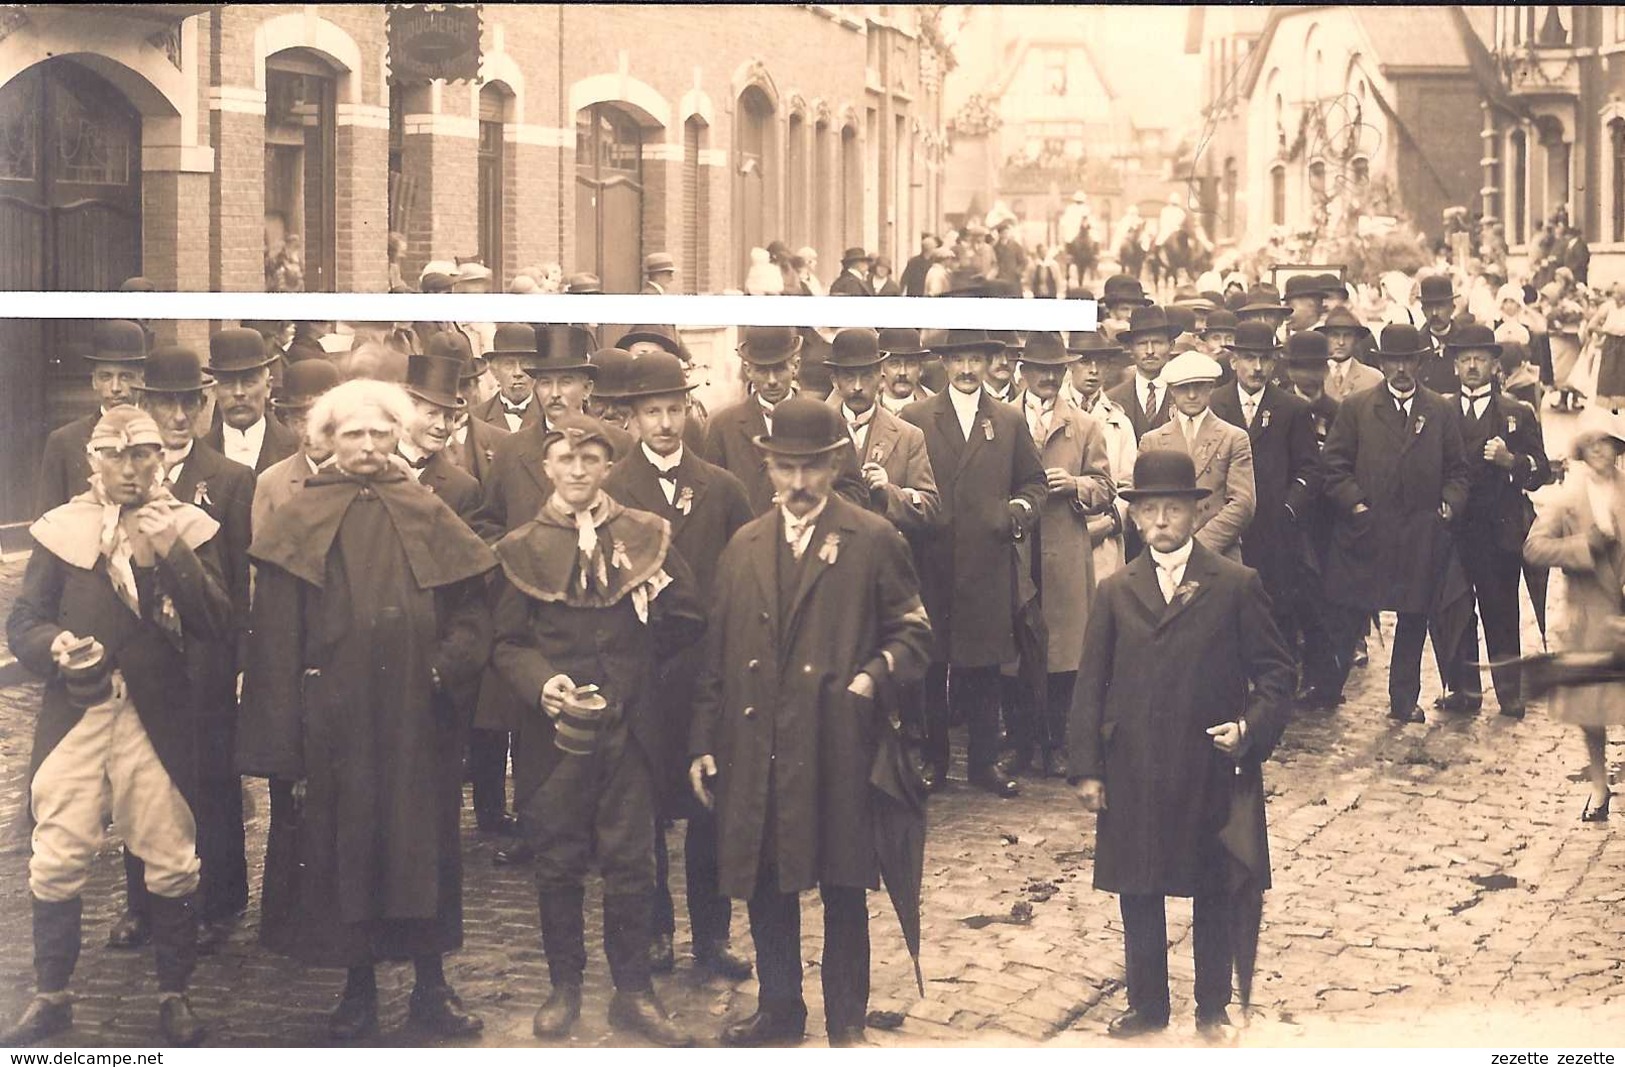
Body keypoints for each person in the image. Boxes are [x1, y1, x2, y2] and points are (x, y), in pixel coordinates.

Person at [239, 379, 496, 1040]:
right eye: (354, 433)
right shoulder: (297, 516)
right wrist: (284, 743)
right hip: (335, 722)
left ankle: (432, 989)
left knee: (423, 846)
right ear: (327, 439)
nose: (369, 446)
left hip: (418, 716)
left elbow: (474, 606)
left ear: (397, 438)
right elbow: (273, 639)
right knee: (345, 851)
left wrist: (447, 667)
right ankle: (357, 992)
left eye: (381, 433)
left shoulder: (425, 505)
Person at [688, 398, 932, 1047]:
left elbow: (915, 633)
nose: (797, 484)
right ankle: (779, 1010)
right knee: (768, 882)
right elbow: (714, 658)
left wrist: (871, 676)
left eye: (811, 469)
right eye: (784, 468)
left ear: (832, 466)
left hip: (836, 741)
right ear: (767, 466)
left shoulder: (871, 538)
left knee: (842, 883)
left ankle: (846, 1021)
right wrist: (702, 743)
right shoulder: (742, 545)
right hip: (757, 744)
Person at [4, 408, 232, 1047]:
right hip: (77, 712)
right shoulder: (62, 531)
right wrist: (55, 645)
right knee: (56, 853)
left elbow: (216, 621)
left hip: (155, 716)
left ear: (163, 459)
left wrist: (172, 552)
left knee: (169, 854)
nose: (130, 470)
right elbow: (23, 620)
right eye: (115, 456)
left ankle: (174, 994)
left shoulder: (187, 526)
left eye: (144, 456)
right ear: (92, 461)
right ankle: (51, 996)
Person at [491, 415, 704, 1046]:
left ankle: (634, 992)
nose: (578, 470)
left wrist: (641, 670)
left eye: (590, 458)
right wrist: (541, 684)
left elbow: (689, 617)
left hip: (630, 734)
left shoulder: (646, 535)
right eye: (565, 459)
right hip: (555, 737)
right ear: (547, 468)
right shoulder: (522, 546)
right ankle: (565, 989)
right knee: (557, 863)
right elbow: (505, 642)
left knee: (633, 862)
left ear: (609, 466)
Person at [1068, 448, 1294, 1040]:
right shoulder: (1116, 591)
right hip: (1134, 765)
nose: (1163, 521)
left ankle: (1212, 1007)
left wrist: (1250, 729)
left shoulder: (1234, 585)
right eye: (1150, 510)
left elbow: (1276, 674)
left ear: (1197, 514)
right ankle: (1147, 1004)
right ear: (1135, 518)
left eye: (1174, 508)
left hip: (1209, 764)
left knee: (1214, 886)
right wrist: (1088, 768)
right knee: (1138, 886)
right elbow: (1091, 685)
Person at [601, 351, 756, 984]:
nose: (664, 423)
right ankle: (657, 930)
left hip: (707, 674)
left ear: (689, 412)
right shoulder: (611, 491)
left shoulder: (722, 487)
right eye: (651, 412)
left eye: (674, 409)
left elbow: (749, 574)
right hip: (642, 674)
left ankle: (712, 935)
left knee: (707, 805)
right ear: (631, 418)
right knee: (647, 807)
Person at [115, 347, 255, 956]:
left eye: (187, 403)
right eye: (164, 403)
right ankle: (141, 903)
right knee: (139, 774)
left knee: (209, 776)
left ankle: (219, 901)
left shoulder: (227, 479)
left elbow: (244, 577)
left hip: (205, 652)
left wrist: (243, 658)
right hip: (143, 655)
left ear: (203, 407)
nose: (177, 416)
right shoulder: (119, 478)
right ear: (144, 408)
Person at [901, 329, 1047, 797]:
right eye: (958, 360)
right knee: (932, 664)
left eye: (975, 360)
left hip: (987, 561)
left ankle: (984, 763)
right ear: (943, 363)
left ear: (989, 363)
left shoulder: (1007, 420)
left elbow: (1034, 484)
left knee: (984, 667)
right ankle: (934, 760)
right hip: (932, 559)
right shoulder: (917, 417)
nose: (966, 370)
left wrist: (1014, 514)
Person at [1320, 324, 1471, 723]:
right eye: (1393, 361)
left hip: (1420, 532)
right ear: (1382, 363)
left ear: (1420, 363)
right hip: (1369, 530)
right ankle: (1328, 687)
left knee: (1414, 614)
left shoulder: (1439, 409)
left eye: (1409, 360)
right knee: (1350, 612)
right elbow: (1332, 467)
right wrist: (1355, 505)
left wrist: (1449, 506)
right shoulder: (1357, 407)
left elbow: (1458, 471)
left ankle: (1403, 700)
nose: (1401, 369)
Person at [1010, 332, 1114, 777]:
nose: (1048, 377)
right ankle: (1020, 743)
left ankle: (1057, 744)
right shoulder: (1002, 419)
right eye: (1040, 369)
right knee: (1015, 651)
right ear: (1024, 372)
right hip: (1016, 546)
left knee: (1064, 653)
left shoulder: (1084, 426)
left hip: (1065, 549)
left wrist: (1078, 486)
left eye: (1056, 369)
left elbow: (1108, 488)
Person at [1212, 326, 1332, 705]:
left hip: (1275, 530)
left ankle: (1275, 688)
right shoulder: (1216, 404)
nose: (1257, 367)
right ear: (1234, 361)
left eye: (1264, 358)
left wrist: (1288, 507)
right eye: (1249, 358)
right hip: (1228, 527)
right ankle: (1230, 684)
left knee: (1277, 606)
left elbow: (1311, 469)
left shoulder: (1291, 409)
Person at [1440, 324, 1549, 718]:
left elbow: (1542, 471)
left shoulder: (1516, 413)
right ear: (1455, 366)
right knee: (1455, 610)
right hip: (1454, 531)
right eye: (1465, 359)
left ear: (1493, 365)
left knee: (1501, 612)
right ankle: (1463, 690)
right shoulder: (1441, 410)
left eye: (1480, 359)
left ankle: (1509, 692)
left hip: (1499, 530)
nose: (1472, 366)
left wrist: (1511, 462)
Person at [1523, 408, 1625, 821]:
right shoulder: (1567, 498)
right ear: (1582, 449)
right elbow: (1534, 548)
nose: (1601, 451)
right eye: (1593, 443)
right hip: (1589, 617)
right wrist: (1586, 546)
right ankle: (1599, 786)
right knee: (1593, 710)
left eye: (1609, 443)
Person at [703, 326, 865, 515]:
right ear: (748, 370)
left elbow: (856, 494)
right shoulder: (723, 426)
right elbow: (711, 501)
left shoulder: (827, 420)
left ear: (795, 365)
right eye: (763, 370)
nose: (772, 380)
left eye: (779, 369)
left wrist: (816, 501)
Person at [1137, 351, 1256, 561]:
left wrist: (1198, 548)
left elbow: (1243, 503)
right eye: (1184, 388)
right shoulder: (1152, 441)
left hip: (1219, 552)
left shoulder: (1233, 437)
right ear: (1172, 390)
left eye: (1199, 386)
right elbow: (1140, 502)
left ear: (1211, 387)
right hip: (1165, 552)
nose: (1192, 395)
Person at [825, 327, 941, 535]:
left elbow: (930, 508)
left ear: (880, 376)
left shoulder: (908, 435)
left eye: (867, 376)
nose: (858, 386)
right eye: (849, 377)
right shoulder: (818, 432)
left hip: (885, 558)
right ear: (835, 380)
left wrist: (889, 492)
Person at [37, 320, 147, 515]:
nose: (115, 388)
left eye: (125, 376)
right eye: (106, 376)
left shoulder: (156, 438)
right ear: (94, 380)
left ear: (141, 379)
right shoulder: (63, 442)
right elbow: (45, 526)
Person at [1066, 332, 1139, 583]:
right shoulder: (1053, 412)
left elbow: (1129, 485)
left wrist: (1109, 523)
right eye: (1085, 361)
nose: (1093, 371)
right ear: (1069, 364)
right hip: (1063, 536)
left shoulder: (1119, 421)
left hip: (1106, 539)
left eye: (1100, 363)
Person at [251, 357, 343, 536]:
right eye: (298, 420)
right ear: (287, 421)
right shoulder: (271, 483)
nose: (309, 433)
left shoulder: (381, 470)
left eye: (319, 419)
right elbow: (262, 560)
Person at [202, 328, 301, 474]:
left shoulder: (297, 450)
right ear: (214, 389)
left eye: (249, 382)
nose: (238, 393)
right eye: (228, 383)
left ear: (268, 386)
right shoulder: (198, 455)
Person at [400, 352, 483, 523]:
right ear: (407, 411)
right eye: (432, 414)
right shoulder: (375, 467)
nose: (441, 426)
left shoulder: (463, 487)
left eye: (448, 417)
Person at [1107, 306, 1178, 440]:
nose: (1150, 351)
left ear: (1171, 345)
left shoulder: (1186, 395)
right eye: (1142, 343)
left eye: (1157, 343)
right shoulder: (1111, 400)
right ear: (1130, 348)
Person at [475, 324, 544, 432]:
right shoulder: (477, 418)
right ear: (494, 371)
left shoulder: (549, 413)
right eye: (509, 364)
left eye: (525, 364)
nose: (518, 373)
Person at [1316, 307, 1384, 402]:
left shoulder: (1374, 378)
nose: (1341, 342)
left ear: (1356, 340)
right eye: (1335, 335)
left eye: (1347, 336)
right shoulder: (1313, 375)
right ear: (1325, 338)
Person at [1417, 273, 1465, 395]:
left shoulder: (1466, 341)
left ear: (1453, 308)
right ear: (1422, 310)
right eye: (1429, 307)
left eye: (1440, 306)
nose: (1434, 313)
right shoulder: (1415, 345)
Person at [875, 328, 937, 414]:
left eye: (910, 363)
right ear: (881, 368)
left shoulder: (935, 409)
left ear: (920, 368)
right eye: (894, 364)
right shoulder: (867, 408)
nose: (902, 372)